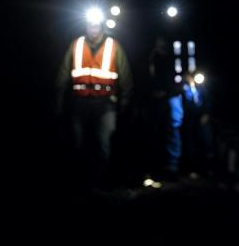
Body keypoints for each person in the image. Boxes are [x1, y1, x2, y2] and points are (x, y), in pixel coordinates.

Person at [55, 13, 133, 188]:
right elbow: (63, 74)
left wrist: (125, 102)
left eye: (96, 25)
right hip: (79, 102)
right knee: (78, 142)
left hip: (106, 104)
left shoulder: (114, 46)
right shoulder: (76, 45)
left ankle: (101, 180)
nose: (93, 29)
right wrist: (58, 102)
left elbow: (126, 76)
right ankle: (81, 181)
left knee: (104, 142)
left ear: (102, 26)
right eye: (90, 25)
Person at [146, 35, 183, 180]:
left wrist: (168, 91)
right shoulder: (151, 57)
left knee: (173, 130)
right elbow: (149, 77)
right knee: (156, 131)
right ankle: (157, 166)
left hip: (171, 97)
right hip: (156, 99)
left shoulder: (172, 57)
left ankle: (172, 166)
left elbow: (176, 78)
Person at [181, 70, 214, 176]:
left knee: (207, 141)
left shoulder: (201, 87)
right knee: (191, 143)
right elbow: (184, 104)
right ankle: (192, 168)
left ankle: (209, 167)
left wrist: (206, 113)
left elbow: (208, 100)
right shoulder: (184, 88)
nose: (191, 78)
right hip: (190, 119)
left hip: (202, 118)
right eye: (189, 76)